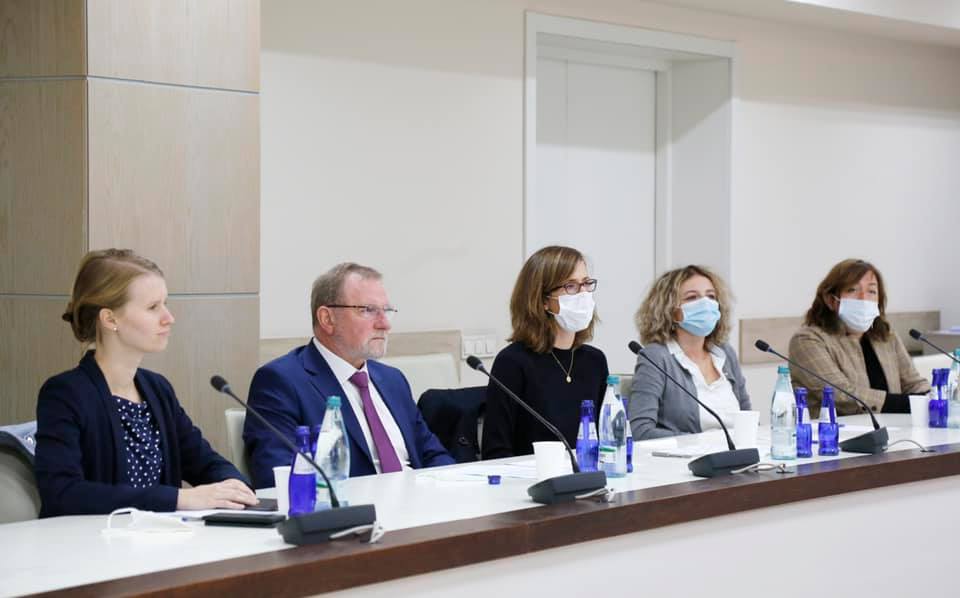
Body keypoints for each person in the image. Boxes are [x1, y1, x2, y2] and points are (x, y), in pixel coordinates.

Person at [34, 249, 256, 517]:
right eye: (153, 307)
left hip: (161, 538)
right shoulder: (65, 394)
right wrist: (178, 498)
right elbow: (62, 493)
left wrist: (233, 485)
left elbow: (204, 461)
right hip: (93, 539)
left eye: (165, 304)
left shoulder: (157, 389)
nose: (169, 318)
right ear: (110, 319)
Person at [244, 263, 454, 488]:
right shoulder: (281, 381)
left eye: (386, 311)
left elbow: (432, 455)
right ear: (327, 319)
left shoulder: (393, 380)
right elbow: (279, 477)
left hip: (420, 502)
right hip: (353, 507)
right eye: (368, 310)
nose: (384, 324)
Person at [481, 246, 609, 459]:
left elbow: (607, 440)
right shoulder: (512, 362)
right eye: (571, 286)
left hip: (588, 474)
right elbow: (496, 451)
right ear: (542, 300)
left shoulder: (594, 360)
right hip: (533, 477)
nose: (583, 294)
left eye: (586, 284)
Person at [789, 258, 929, 417]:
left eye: (871, 291)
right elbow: (840, 395)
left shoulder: (886, 336)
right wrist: (912, 404)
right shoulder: (807, 340)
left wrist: (932, 399)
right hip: (836, 431)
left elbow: (913, 383)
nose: (863, 298)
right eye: (852, 290)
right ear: (831, 300)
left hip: (896, 428)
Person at [627, 265, 751, 440]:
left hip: (736, 454)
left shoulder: (724, 353)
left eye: (711, 296)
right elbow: (641, 430)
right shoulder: (656, 357)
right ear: (671, 310)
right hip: (689, 457)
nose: (705, 304)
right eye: (692, 297)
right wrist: (701, 444)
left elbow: (748, 419)